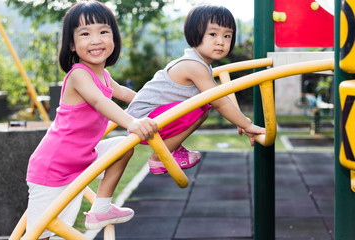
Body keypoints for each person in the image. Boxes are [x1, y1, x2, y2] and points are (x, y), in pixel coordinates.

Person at [25, 1, 158, 239]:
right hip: (54, 167)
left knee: (123, 146)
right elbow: (100, 102)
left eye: (103, 32)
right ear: (72, 45)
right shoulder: (78, 74)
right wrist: (132, 122)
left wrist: (159, 106)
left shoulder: (104, 75)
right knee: (40, 235)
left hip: (83, 157)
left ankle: (101, 208)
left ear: (114, 39)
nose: (96, 39)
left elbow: (130, 96)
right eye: (85, 33)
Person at [127, 5, 265, 175]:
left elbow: (219, 96)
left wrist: (240, 121)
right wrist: (247, 124)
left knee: (202, 108)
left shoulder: (200, 65)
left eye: (227, 35)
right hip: (144, 120)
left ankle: (172, 148)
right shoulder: (193, 66)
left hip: (154, 117)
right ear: (195, 33)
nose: (221, 41)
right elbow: (219, 101)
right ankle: (159, 157)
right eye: (213, 34)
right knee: (199, 108)